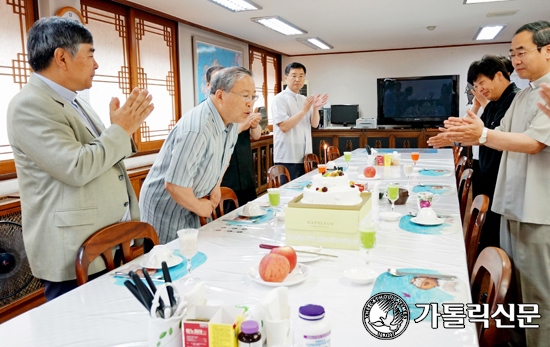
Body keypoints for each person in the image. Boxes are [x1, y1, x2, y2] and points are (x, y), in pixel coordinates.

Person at [6, 17, 154, 301]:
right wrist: (120, 130)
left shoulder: (77, 101)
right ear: (62, 57)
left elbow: (103, 153)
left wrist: (119, 131)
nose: (96, 65)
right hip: (73, 250)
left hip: (105, 241)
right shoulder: (29, 105)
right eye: (90, 55)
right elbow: (76, 167)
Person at [441, 21, 550, 346]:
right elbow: (496, 130)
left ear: (547, 51)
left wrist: (482, 133)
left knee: (540, 294)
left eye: (522, 52)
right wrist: (468, 128)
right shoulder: (526, 94)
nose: (515, 60)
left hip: (538, 208)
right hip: (513, 203)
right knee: (516, 288)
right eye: (512, 53)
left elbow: (534, 142)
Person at [140, 67, 255, 243]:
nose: (250, 103)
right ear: (220, 95)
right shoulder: (198, 127)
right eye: (245, 96)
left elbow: (225, 157)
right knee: (174, 262)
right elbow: (174, 185)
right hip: (167, 207)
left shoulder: (232, 121)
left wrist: (216, 185)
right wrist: (199, 207)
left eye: (253, 96)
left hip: (193, 201)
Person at [429, 55, 520, 252]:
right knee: (487, 225)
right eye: (476, 85)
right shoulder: (495, 101)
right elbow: (477, 132)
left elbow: (491, 135)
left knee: (497, 230)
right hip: (487, 168)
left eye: (481, 83)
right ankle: (485, 252)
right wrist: (453, 137)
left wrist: (455, 137)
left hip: (501, 173)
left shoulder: (514, 100)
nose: (479, 89)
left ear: (499, 75)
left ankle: (493, 262)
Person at [214, 67, 262, 211]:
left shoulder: (240, 107)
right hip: (226, 175)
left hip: (245, 167)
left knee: (250, 212)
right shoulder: (211, 115)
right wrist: (242, 126)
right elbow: (220, 139)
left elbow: (257, 135)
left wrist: (253, 125)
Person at [271, 62, 328, 180]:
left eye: (301, 76)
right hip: (287, 157)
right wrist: (304, 110)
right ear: (286, 78)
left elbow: (314, 124)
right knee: (288, 194)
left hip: (306, 156)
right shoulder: (279, 99)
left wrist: (315, 107)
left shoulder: (304, 99)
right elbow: (284, 126)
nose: (298, 79)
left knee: (305, 192)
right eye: (294, 75)